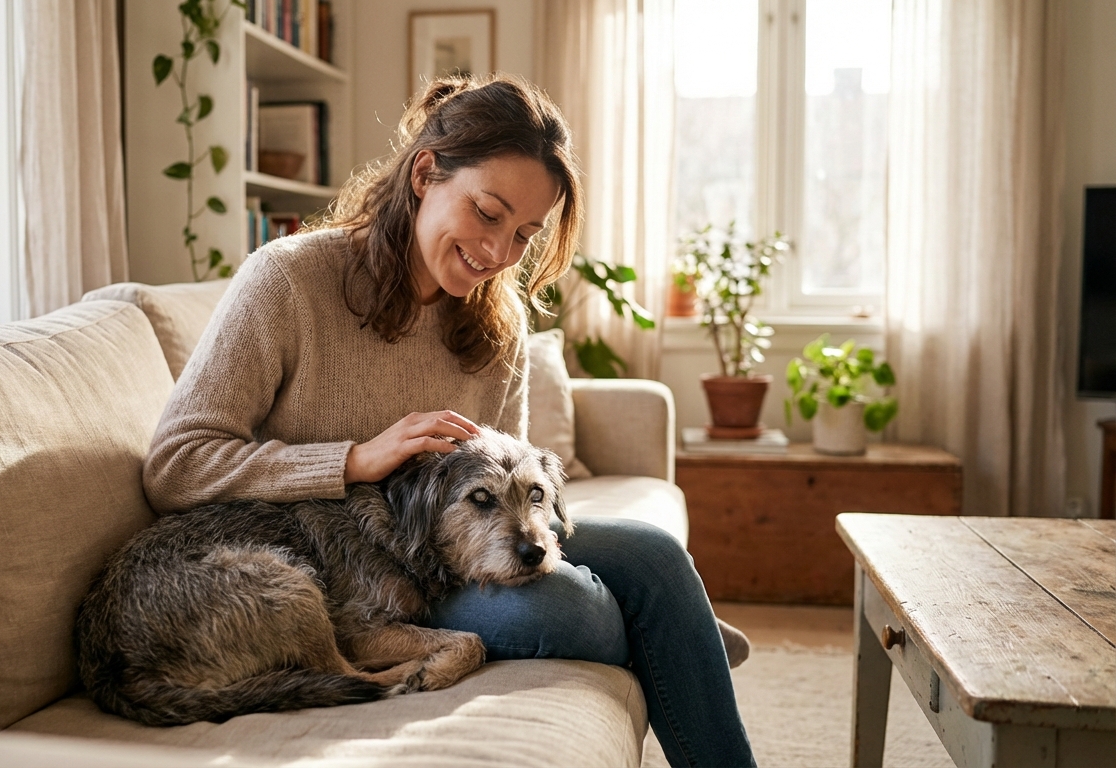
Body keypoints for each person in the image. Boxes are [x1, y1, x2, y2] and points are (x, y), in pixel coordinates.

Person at [144, 73, 757, 768]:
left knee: (655, 554)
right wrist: (353, 460)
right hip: (357, 575)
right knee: (573, 611)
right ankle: (680, 640)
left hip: (456, 555)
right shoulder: (287, 281)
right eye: (488, 213)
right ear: (425, 173)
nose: (498, 253)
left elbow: (511, 489)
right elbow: (175, 465)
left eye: (524, 234)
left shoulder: (501, 320)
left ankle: (682, 639)